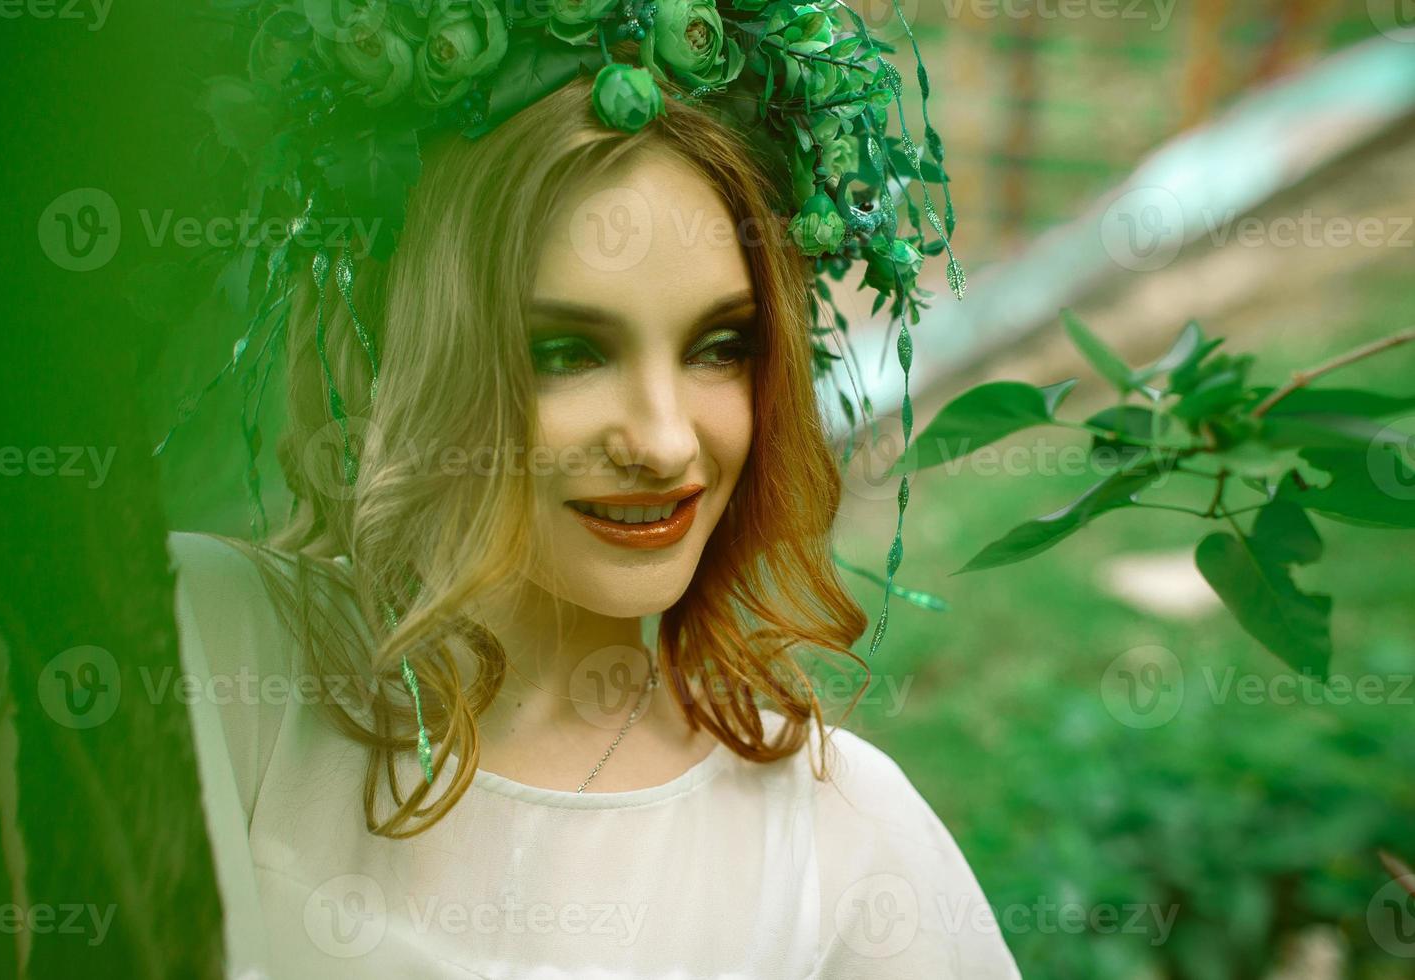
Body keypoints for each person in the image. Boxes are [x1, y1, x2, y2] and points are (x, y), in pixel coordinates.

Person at [170, 68, 1020, 977]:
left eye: (719, 348)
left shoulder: (840, 840)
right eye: (568, 352)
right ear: (411, 352)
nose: (662, 442)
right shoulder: (221, 653)